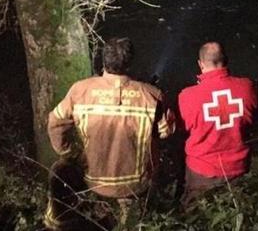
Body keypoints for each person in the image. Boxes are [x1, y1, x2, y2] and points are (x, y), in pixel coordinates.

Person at [46, 37, 174, 227]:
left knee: (59, 170)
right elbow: (166, 131)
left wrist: (68, 152)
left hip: (93, 180)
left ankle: (57, 223)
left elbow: (55, 122)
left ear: (104, 61)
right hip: (136, 184)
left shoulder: (80, 90)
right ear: (129, 64)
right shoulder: (151, 95)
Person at [178, 41, 258, 203]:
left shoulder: (188, 96)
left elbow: (184, 127)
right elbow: (255, 115)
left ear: (200, 64)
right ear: (226, 60)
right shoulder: (247, 87)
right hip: (239, 168)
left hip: (201, 171)